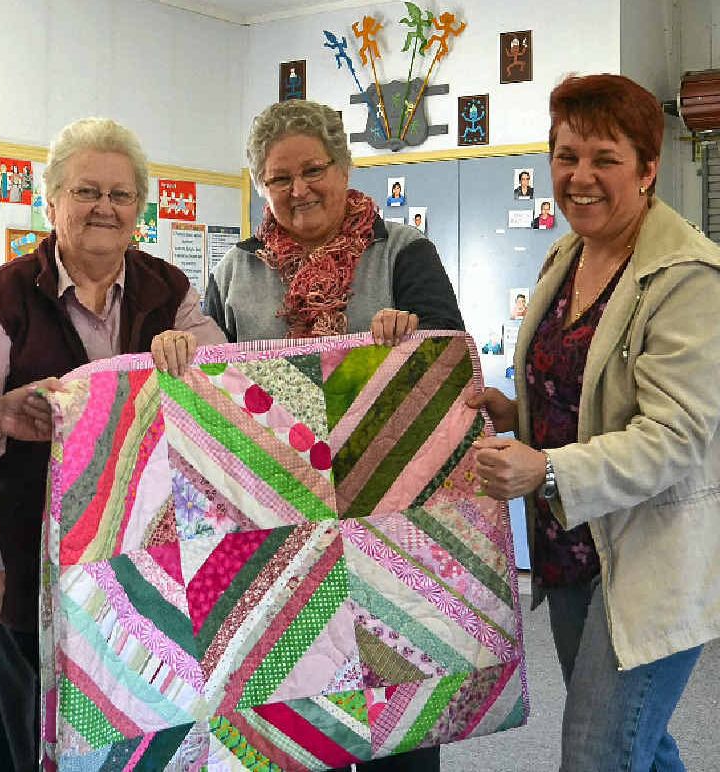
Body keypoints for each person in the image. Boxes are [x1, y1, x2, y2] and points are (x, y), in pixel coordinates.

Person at [204, 98, 463, 772]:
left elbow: (449, 368)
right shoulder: (236, 272)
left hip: (389, 522)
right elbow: (211, 397)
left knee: (397, 730)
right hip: (279, 530)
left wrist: (409, 347)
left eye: (313, 170)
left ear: (344, 167)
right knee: (291, 730)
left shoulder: (403, 253)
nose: (298, 191)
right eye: (277, 179)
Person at [470, 74, 720, 771]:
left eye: (604, 158)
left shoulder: (690, 278)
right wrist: (515, 412)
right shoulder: (567, 255)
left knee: (598, 753)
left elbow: (673, 437)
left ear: (647, 168)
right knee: (643, 742)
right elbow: (585, 394)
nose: (580, 176)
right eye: (566, 155)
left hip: (645, 560)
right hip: (571, 551)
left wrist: (546, 468)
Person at [0, 116, 226, 771]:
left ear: (140, 208)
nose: (103, 208)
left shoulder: (168, 290)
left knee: (136, 726)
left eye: (120, 195)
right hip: (31, 565)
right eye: (85, 192)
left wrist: (191, 352)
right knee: (29, 736)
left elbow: (227, 383)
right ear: (51, 201)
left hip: (148, 564)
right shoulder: (2, 297)